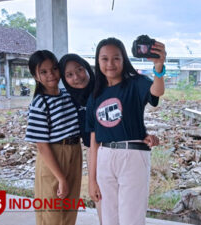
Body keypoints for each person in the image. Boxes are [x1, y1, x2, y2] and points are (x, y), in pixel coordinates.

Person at [58, 53, 160, 224]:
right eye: (69, 75)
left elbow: (125, 112)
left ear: (88, 67)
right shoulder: (67, 99)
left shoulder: (102, 87)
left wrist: (142, 135)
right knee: (106, 215)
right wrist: (91, 180)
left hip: (118, 150)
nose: (76, 77)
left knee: (129, 213)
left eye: (80, 70)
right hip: (96, 152)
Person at [86, 37, 166, 225]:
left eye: (116, 58)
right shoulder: (95, 95)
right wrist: (92, 180)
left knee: (132, 219)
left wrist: (159, 66)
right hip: (104, 157)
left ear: (124, 60)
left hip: (132, 156)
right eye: (104, 59)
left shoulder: (136, 83)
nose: (110, 64)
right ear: (98, 61)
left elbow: (157, 92)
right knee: (108, 219)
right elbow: (93, 140)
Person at [25, 50, 83, 225]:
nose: (51, 75)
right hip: (54, 156)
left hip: (75, 151)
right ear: (35, 76)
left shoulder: (68, 95)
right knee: (52, 213)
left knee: (69, 209)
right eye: (43, 72)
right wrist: (61, 178)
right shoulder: (40, 103)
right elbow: (42, 146)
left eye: (54, 69)